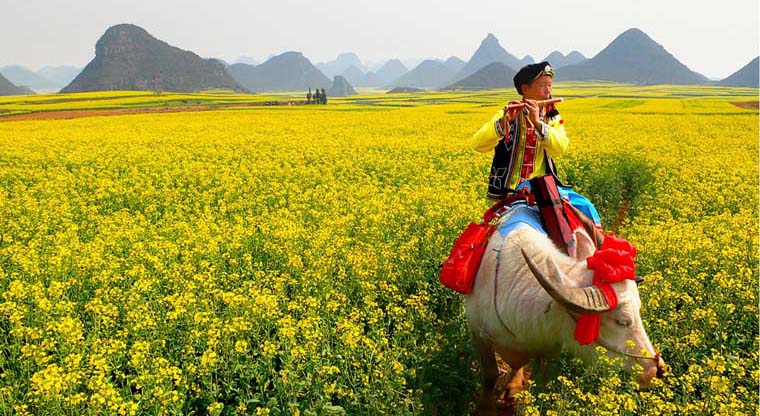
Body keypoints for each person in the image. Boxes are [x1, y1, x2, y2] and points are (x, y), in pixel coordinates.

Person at [471, 62, 601, 225]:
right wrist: (503, 124)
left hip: (544, 189)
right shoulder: (507, 114)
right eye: (542, 86)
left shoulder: (552, 116)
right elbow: (477, 144)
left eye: (550, 85)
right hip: (511, 191)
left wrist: (538, 123)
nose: (548, 91)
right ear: (525, 89)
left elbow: (560, 147)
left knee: (586, 207)